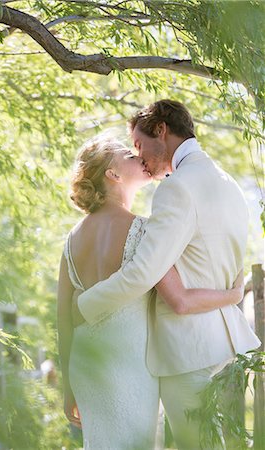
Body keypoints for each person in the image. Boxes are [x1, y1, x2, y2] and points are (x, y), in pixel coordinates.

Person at [74, 100, 261, 450]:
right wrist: (232, 298)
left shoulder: (177, 187)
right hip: (223, 340)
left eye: (140, 145)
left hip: (187, 348)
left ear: (161, 130)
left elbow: (142, 273)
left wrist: (86, 304)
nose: (140, 156)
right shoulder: (228, 183)